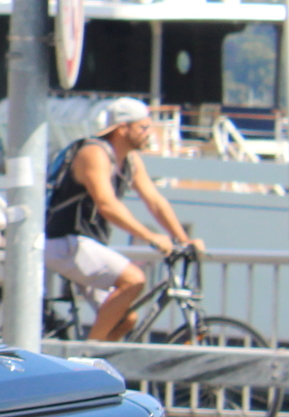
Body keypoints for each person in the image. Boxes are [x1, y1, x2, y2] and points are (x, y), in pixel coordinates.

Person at [45, 96, 201, 341]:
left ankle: (92, 368)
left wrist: (183, 239)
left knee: (125, 319)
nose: (149, 133)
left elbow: (154, 201)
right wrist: (151, 237)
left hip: (87, 245)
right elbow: (107, 205)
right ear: (122, 129)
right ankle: (84, 357)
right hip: (64, 241)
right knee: (133, 280)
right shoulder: (93, 153)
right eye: (143, 127)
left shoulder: (129, 160)